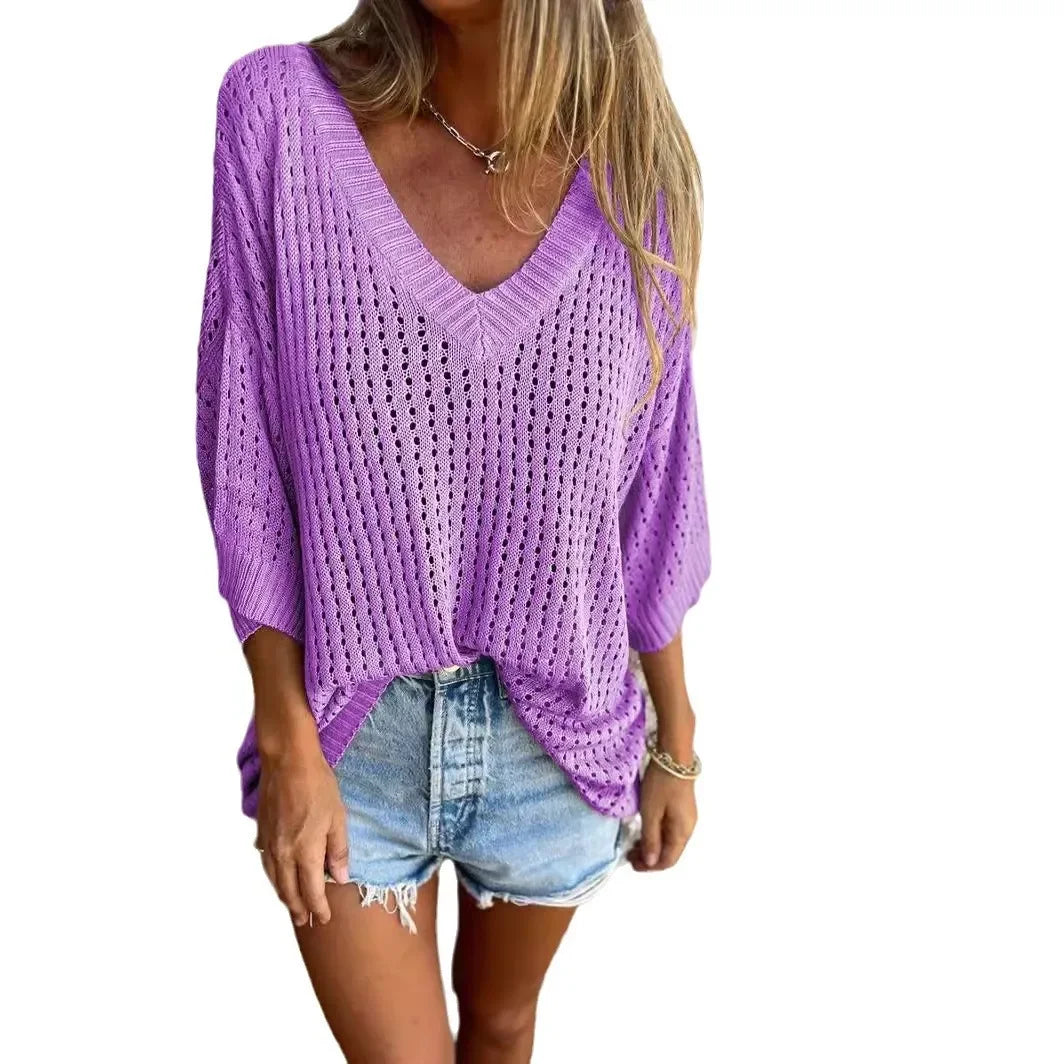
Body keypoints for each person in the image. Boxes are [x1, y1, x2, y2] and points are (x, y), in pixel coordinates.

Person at [194, 1, 711, 1059]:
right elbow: (242, 445)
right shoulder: (281, 115)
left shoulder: (635, 178)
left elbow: (653, 483)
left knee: (505, 1025)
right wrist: (285, 732)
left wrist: (678, 740)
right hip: (350, 732)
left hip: (561, 738)